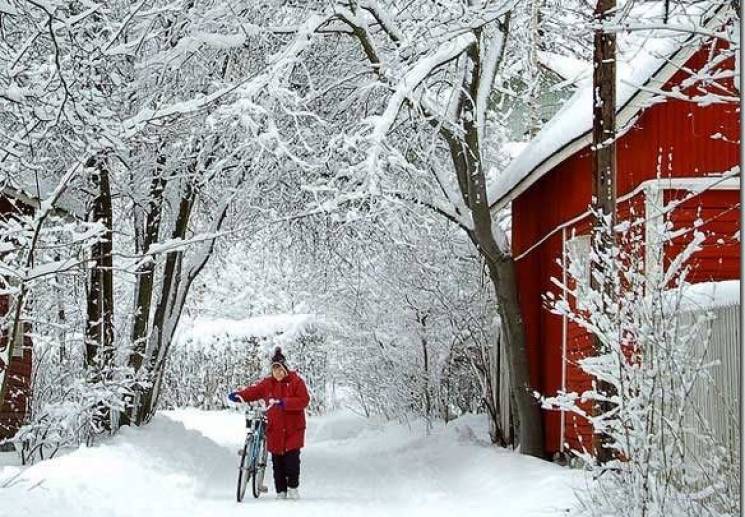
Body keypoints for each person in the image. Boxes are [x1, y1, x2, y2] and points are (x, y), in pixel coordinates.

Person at [228, 347, 310, 500]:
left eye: (280, 369)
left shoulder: (296, 382)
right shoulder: (268, 384)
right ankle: (281, 491)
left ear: (285, 369)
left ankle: (292, 487)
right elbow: (253, 391)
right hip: (275, 430)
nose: (278, 373)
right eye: (274, 370)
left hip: (293, 429)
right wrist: (240, 395)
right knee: (277, 462)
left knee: (292, 461)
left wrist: (284, 403)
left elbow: (304, 400)